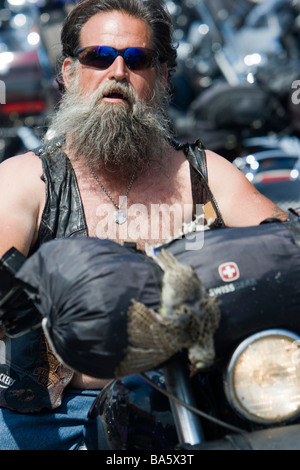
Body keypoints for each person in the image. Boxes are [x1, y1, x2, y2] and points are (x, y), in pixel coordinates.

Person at [0, 0, 287, 450]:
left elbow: (283, 247)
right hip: (54, 415)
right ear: (70, 72)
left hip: (190, 403)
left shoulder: (206, 172)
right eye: (99, 57)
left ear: (164, 76)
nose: (118, 71)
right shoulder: (26, 179)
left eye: (137, 59)